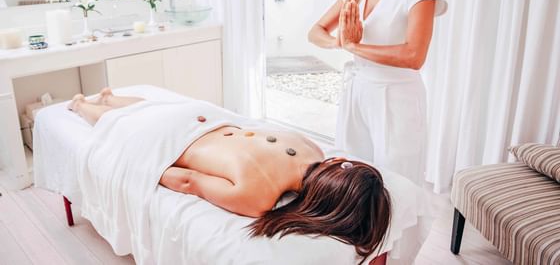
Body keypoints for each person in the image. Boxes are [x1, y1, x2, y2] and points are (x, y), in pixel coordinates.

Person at [68, 89, 392, 264]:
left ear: (337, 164)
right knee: (119, 126)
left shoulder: (311, 149)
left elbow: (259, 133)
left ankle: (110, 98)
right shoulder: (259, 196)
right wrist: (151, 167)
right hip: (175, 138)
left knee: (152, 112)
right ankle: (82, 105)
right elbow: (189, 181)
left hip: (206, 119)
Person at [308, 0, 447, 185]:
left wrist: (355, 46)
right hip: (358, 92)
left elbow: (414, 56)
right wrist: (339, 43)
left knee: (396, 182)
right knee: (354, 178)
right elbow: (317, 31)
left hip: (397, 100)